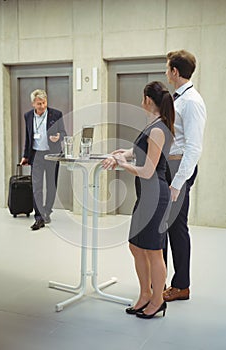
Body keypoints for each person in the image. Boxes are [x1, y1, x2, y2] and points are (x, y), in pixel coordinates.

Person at [103, 81, 175, 319]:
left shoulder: (158, 129)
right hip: (145, 196)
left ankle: (157, 300)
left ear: (147, 99)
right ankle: (145, 294)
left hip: (155, 197)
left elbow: (147, 170)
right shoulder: (154, 125)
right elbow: (139, 152)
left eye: (141, 97)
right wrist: (122, 153)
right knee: (136, 245)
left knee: (154, 251)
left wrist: (124, 165)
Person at [163, 50, 207, 302]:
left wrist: (178, 183)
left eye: (167, 68)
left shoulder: (191, 102)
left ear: (175, 72)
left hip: (178, 168)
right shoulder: (179, 99)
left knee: (176, 228)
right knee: (166, 227)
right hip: (170, 165)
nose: (166, 73)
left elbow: (193, 147)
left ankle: (181, 286)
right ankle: (164, 281)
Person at [20, 89, 66, 230]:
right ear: (33, 104)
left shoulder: (56, 114)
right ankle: (39, 217)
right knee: (37, 186)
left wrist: (59, 137)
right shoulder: (28, 116)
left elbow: (64, 133)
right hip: (37, 156)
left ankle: (47, 211)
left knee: (51, 186)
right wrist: (25, 156)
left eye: (44, 102)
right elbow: (28, 137)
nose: (42, 106)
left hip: (52, 155)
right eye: (39, 103)